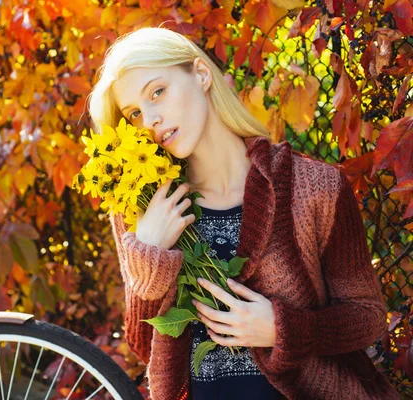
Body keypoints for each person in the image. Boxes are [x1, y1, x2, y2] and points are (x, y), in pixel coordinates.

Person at [87, 27, 399, 400]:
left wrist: (283, 329)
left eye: (158, 91)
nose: (150, 119)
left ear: (201, 74)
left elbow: (366, 318)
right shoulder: (142, 208)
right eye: (135, 113)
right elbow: (144, 343)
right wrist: (150, 250)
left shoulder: (314, 186)